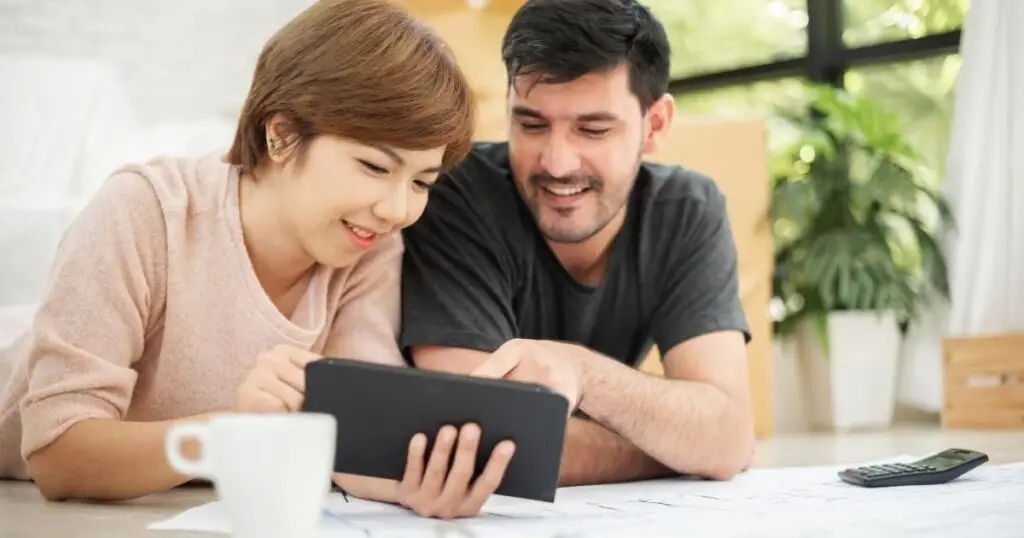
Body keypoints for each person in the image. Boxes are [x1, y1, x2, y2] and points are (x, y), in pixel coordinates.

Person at [0, 0, 513, 519]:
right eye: (375, 166)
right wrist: (234, 432)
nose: (398, 209)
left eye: (422, 181)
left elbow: (356, 427)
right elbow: (58, 455)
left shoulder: (370, 245)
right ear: (282, 134)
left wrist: (410, 485)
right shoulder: (147, 211)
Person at [399, 0, 757, 486]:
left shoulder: (686, 208)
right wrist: (674, 449)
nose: (558, 163)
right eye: (531, 124)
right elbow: (476, 434)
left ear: (655, 126)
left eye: (593, 130)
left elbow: (728, 434)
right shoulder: (457, 194)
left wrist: (581, 373)